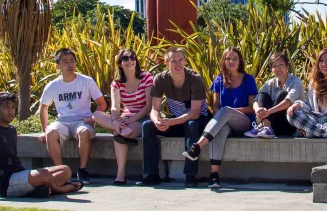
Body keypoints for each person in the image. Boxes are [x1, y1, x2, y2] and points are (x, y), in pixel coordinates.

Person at [182, 47, 257, 189]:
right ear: (224, 61)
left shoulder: (249, 79)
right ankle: (214, 176)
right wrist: (223, 114)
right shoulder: (219, 80)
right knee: (220, 131)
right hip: (225, 122)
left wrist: (229, 112)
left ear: (240, 60)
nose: (232, 61)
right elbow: (215, 106)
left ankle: (198, 146)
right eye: (228, 58)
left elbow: (251, 107)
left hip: (244, 122)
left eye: (235, 58)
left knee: (226, 111)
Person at [138, 46, 211, 188]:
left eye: (181, 60)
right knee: (147, 126)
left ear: (185, 61)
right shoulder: (160, 79)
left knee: (192, 125)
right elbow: (154, 109)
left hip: (198, 120)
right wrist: (157, 120)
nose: (178, 64)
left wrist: (171, 122)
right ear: (166, 62)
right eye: (173, 61)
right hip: (177, 120)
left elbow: (195, 113)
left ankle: (190, 176)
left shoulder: (195, 78)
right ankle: (151, 175)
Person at [38, 48, 107, 184]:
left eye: (72, 61)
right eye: (65, 62)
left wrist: (93, 118)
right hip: (62, 121)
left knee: (84, 131)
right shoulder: (52, 85)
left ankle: (82, 170)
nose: (70, 65)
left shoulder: (86, 81)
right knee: (50, 133)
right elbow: (43, 107)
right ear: (58, 66)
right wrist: (43, 130)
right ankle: (61, 171)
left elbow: (102, 104)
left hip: (82, 120)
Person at [90, 48, 154, 185]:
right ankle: (121, 132)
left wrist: (131, 120)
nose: (130, 61)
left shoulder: (146, 77)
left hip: (143, 118)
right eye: (125, 58)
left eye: (132, 58)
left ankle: (120, 175)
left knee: (121, 133)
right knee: (96, 115)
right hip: (124, 119)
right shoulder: (117, 83)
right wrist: (114, 120)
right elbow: (115, 106)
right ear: (120, 63)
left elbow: (148, 106)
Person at [244, 52, 303, 139]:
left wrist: (268, 112)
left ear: (287, 66)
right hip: (272, 124)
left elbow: (288, 102)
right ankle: (266, 127)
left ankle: (266, 127)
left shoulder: (296, 81)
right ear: (271, 69)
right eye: (274, 66)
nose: (278, 68)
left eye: (281, 65)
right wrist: (258, 110)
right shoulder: (270, 83)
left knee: (282, 94)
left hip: (289, 123)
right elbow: (256, 99)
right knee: (262, 95)